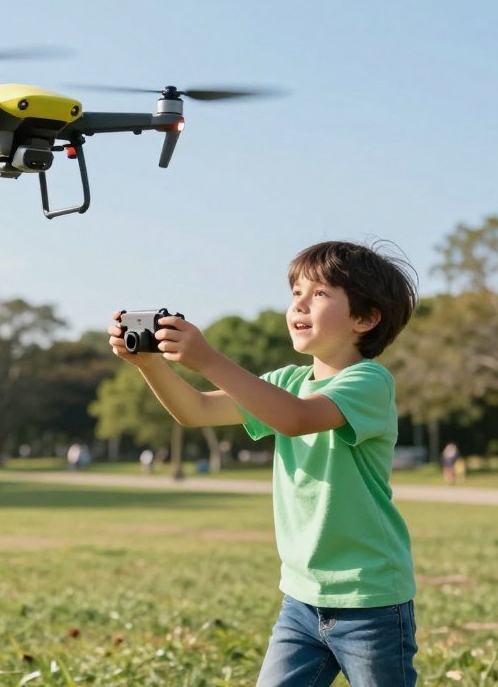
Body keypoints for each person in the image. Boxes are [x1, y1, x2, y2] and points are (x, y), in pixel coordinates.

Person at [109, 240, 419, 686]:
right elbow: (196, 411)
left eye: (319, 294)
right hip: (300, 599)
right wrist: (149, 365)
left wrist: (209, 359)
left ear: (365, 319)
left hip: (369, 600)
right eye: (295, 292)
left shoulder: (369, 381)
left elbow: (296, 419)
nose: (299, 304)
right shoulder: (285, 381)